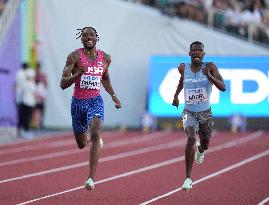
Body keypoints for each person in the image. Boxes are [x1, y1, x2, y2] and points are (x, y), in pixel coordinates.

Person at [60, 27, 121, 191]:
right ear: (81, 39)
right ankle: (92, 139)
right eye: (85, 35)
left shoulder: (105, 58)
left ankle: (91, 178)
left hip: (95, 101)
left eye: (91, 35)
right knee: (81, 143)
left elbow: (105, 78)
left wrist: (113, 96)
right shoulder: (74, 56)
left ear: (96, 38)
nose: (88, 37)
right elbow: (62, 84)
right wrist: (76, 75)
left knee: (95, 132)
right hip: (78, 103)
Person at [172, 41, 226, 190]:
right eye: (194, 50)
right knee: (190, 137)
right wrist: (176, 95)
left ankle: (201, 150)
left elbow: (223, 87)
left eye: (199, 51)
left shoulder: (210, 67)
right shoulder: (183, 68)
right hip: (189, 111)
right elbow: (182, 81)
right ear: (190, 53)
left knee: (205, 143)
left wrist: (209, 76)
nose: (197, 52)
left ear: (203, 54)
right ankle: (188, 178)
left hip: (205, 113)